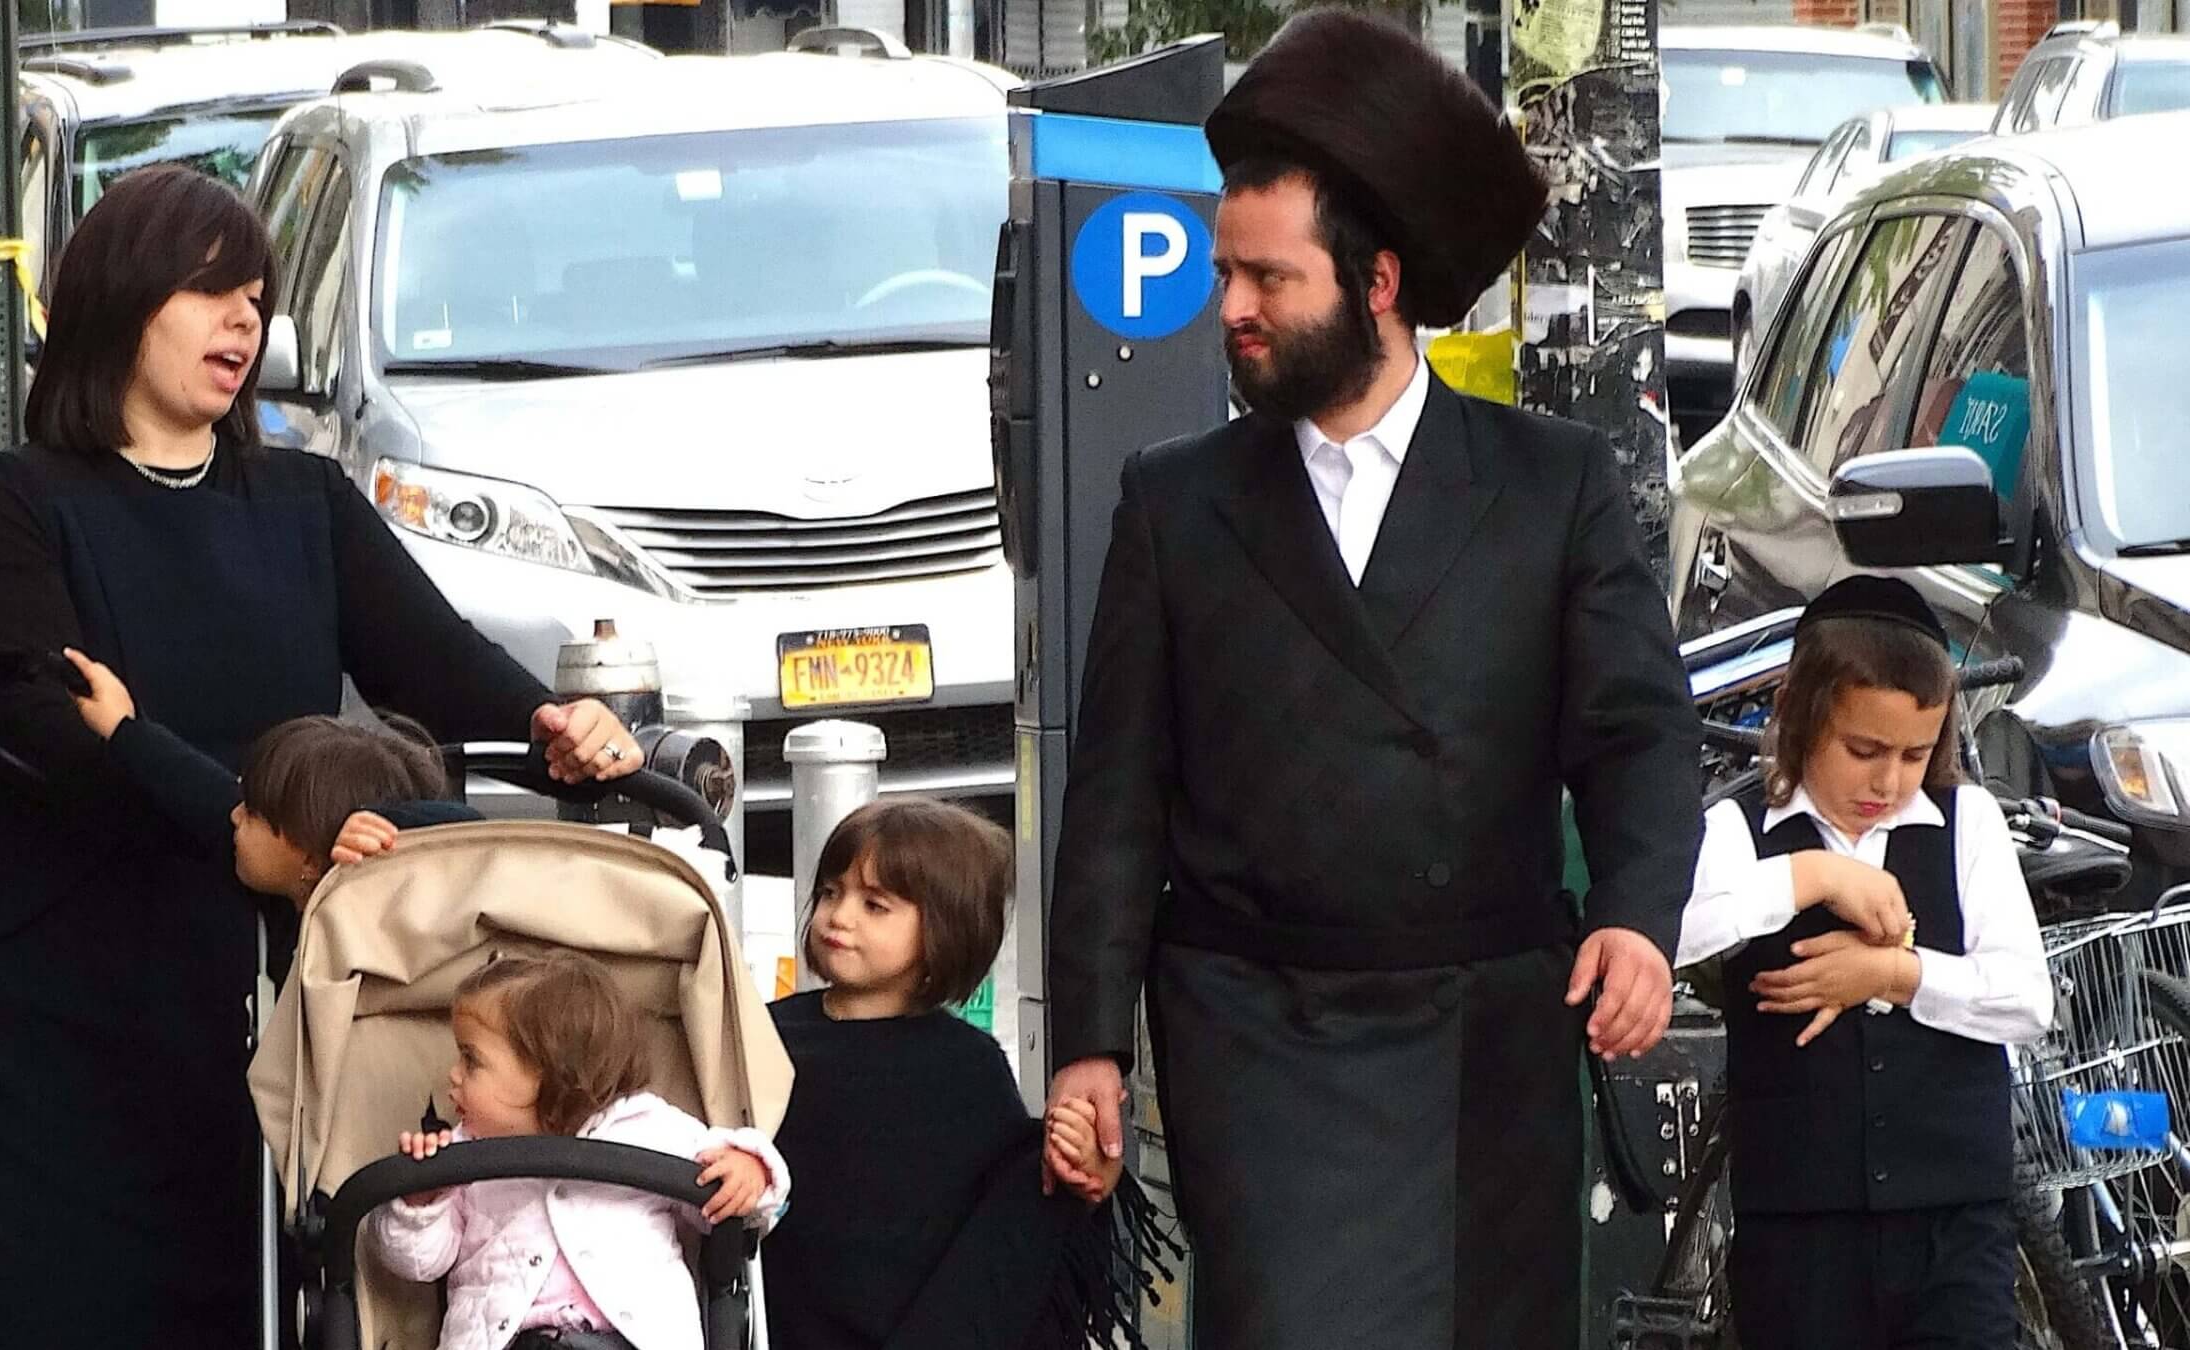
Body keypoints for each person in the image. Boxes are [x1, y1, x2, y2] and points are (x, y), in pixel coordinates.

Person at [1039, 11, 1705, 1346]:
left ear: (1378, 282)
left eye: (1268, 279)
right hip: (1255, 1035)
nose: (1230, 308)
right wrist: (1090, 1045)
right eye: (1226, 273)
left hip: (1487, 1040)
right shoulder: (1175, 501)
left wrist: (1638, 917)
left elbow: (1637, 731)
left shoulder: (1551, 484)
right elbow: (1115, 797)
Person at [0, 164, 647, 1348]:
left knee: (254, 1303)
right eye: (210, 292)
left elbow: (436, 658)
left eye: (257, 302)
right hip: (63, 1006)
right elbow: (37, 722)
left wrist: (553, 724)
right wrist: (240, 824)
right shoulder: (22, 500)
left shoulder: (301, 500)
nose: (243, 324)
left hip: (259, 999)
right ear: (121, 300)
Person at [1676, 575, 2054, 1349]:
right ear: (1798, 715)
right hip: (1800, 1232)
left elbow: (2026, 997)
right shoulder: (1743, 830)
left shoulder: (1966, 824)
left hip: (1954, 1223)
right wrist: (1810, 876)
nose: (1889, 781)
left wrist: (1894, 975)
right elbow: (1674, 934)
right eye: (1863, 751)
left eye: (1916, 754)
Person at [764, 800, 1165, 1350]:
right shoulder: (764, 1034)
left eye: (875, 905)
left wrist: (1075, 1160)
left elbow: (1012, 1222)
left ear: (944, 929)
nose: (840, 916)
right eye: (831, 893)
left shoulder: (966, 1066)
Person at [371, 952, 789, 1350]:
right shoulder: (463, 1155)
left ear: (551, 1069)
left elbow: (727, 1197)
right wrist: (421, 1199)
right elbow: (418, 1263)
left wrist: (749, 1169)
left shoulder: (646, 1128)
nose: (453, 1074)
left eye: (471, 1060)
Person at [61, 649, 473, 900]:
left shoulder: (383, 935)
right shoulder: (292, 867)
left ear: (309, 859)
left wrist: (395, 832)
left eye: (253, 812)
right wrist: (123, 728)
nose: (233, 813)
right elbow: (199, 789)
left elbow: (464, 838)